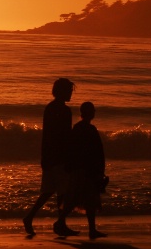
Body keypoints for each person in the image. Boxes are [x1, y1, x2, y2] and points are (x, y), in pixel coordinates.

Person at [22, 77, 78, 236]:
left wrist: (44, 157)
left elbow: (47, 135)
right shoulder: (64, 111)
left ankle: (32, 217)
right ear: (62, 92)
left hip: (51, 155)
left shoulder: (50, 108)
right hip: (60, 156)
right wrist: (69, 156)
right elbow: (65, 136)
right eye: (68, 91)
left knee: (49, 191)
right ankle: (60, 223)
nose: (70, 94)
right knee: (61, 192)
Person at [60, 101, 107, 239]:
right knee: (84, 198)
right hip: (86, 169)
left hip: (82, 168)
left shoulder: (79, 128)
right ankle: (62, 222)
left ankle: (91, 229)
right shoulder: (89, 129)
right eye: (92, 110)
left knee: (83, 199)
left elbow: (72, 148)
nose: (93, 113)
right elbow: (96, 152)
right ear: (89, 113)